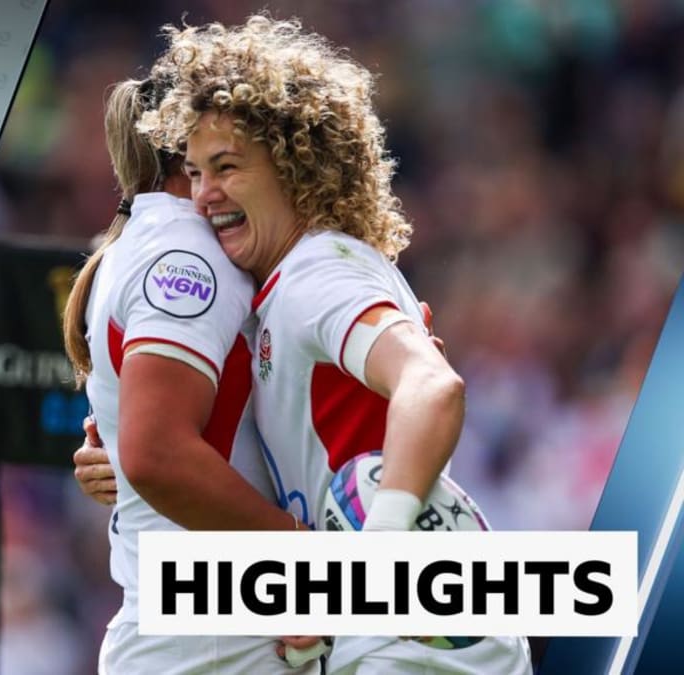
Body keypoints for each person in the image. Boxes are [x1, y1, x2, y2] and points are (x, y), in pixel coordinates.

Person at [79, 14, 532, 674]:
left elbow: (432, 386)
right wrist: (125, 459)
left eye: (227, 166)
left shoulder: (321, 271)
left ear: (294, 165)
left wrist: (370, 553)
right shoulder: (277, 289)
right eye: (197, 171)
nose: (205, 195)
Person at [62, 71, 318, 673]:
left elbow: (148, 447)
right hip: (217, 640)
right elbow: (159, 455)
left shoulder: (154, 243)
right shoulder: (192, 253)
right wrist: (302, 563)